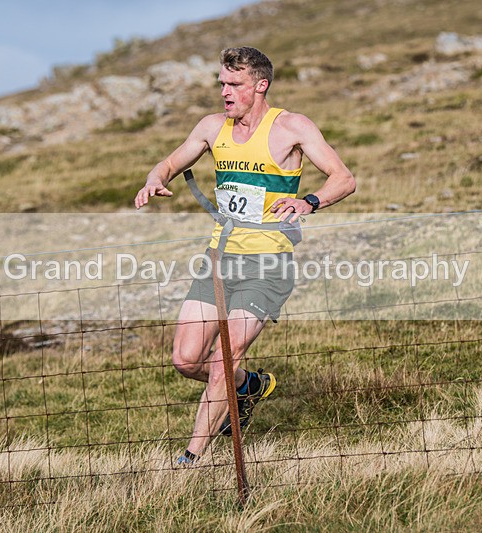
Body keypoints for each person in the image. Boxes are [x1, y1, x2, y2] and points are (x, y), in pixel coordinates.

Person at [134, 46, 355, 464]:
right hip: (219, 259)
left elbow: (344, 178)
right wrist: (154, 179)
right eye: (221, 83)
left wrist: (309, 201)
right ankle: (249, 386)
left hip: (267, 264)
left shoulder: (291, 127)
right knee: (186, 359)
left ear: (260, 85)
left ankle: (190, 459)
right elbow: (168, 161)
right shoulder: (211, 127)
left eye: (234, 84)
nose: (225, 92)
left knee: (221, 364)